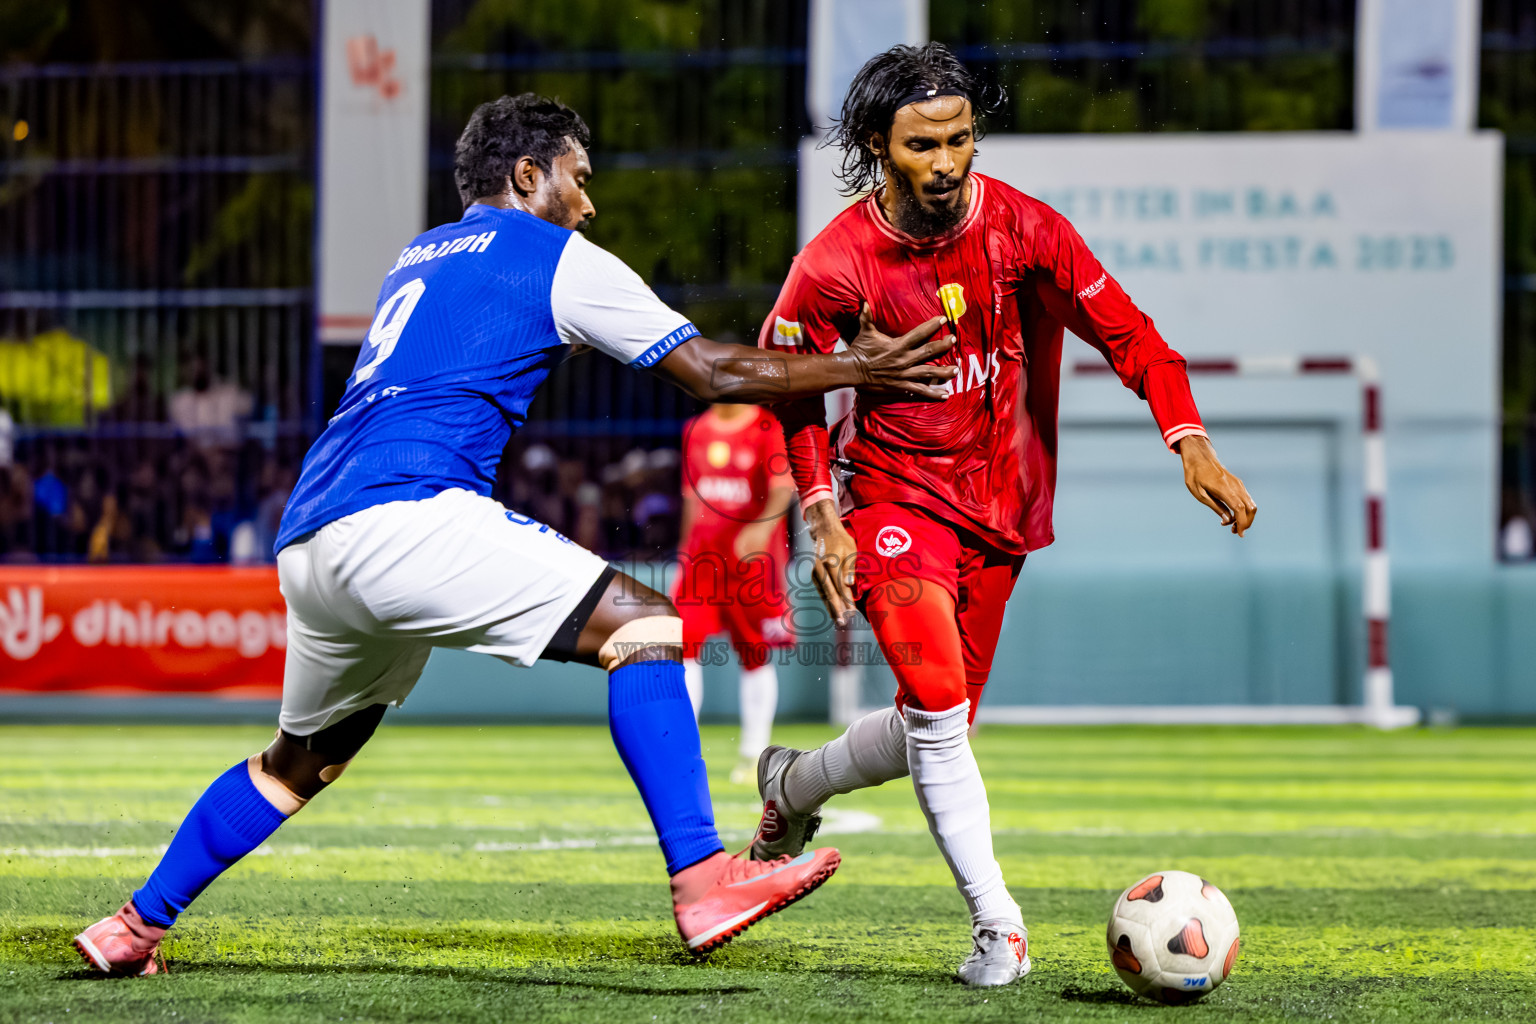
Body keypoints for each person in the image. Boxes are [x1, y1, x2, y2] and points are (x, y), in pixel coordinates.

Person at [72, 92, 957, 976]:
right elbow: (712, 370)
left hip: (311, 534)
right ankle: (703, 878)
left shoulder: (420, 253)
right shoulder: (554, 254)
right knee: (648, 626)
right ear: (529, 176)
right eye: (578, 178)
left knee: (298, 761)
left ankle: (133, 927)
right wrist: (859, 364)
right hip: (408, 512)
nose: (589, 203)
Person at [748, 44, 1258, 988]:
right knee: (938, 704)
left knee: (936, 725)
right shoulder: (834, 263)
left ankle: (792, 783)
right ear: (877, 146)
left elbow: (1134, 337)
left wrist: (1188, 438)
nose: (946, 163)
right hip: (894, 495)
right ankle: (999, 928)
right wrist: (823, 512)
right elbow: (789, 390)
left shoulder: (1026, 229)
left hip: (1005, 509)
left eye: (960, 139)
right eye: (922, 146)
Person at [674, 403, 796, 783]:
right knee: (682, 648)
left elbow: (782, 488)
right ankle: (681, 750)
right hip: (701, 564)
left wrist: (761, 529)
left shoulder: (766, 426)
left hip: (751, 566)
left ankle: (754, 754)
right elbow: (692, 498)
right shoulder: (695, 428)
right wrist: (682, 554)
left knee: (754, 655)